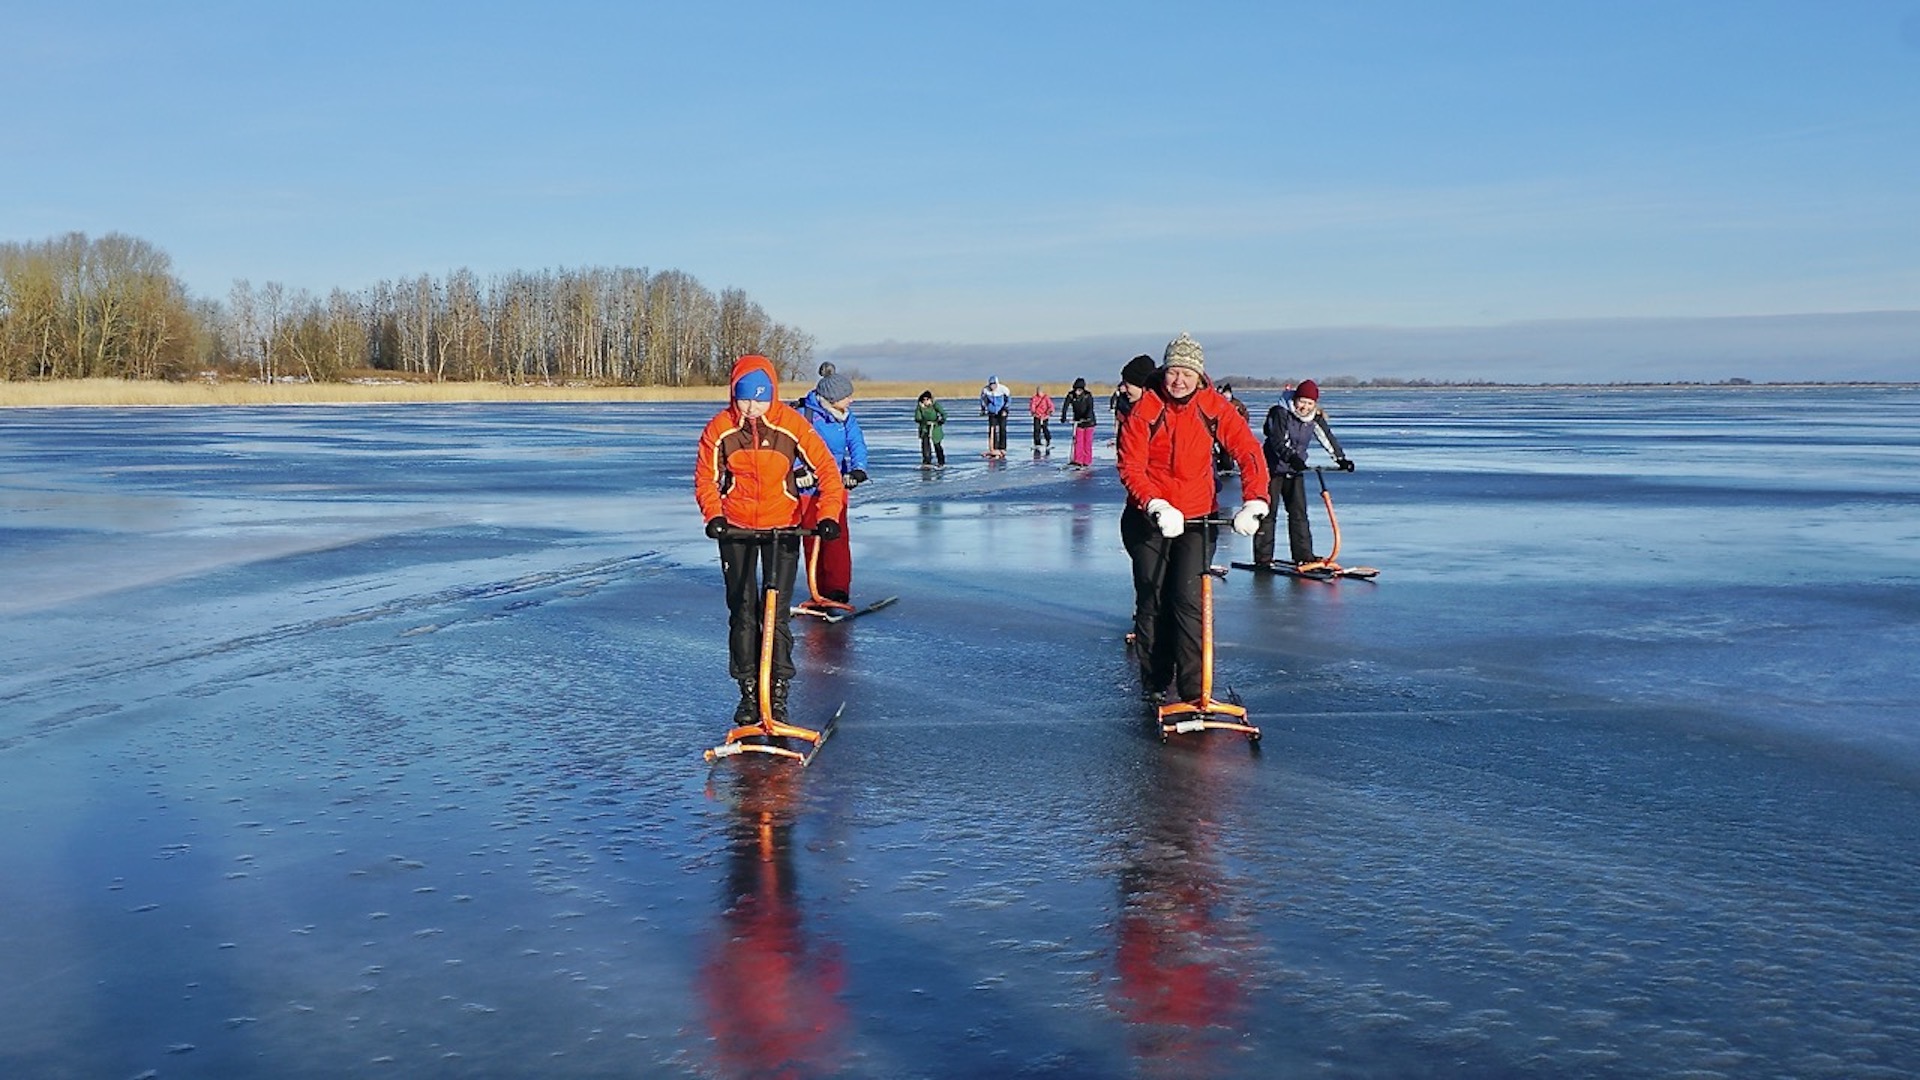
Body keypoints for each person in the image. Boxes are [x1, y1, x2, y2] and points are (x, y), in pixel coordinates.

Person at [1117, 334, 1269, 703]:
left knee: (1187, 601)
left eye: (1187, 373)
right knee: (1153, 599)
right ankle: (1154, 682)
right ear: (1164, 372)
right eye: (1173, 372)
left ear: (1199, 375)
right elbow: (1131, 466)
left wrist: (1256, 500)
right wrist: (1155, 503)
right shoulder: (1146, 409)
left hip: (1198, 517)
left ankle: (1192, 691)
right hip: (1149, 518)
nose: (1179, 381)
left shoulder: (1213, 406)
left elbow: (1248, 451)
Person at [696, 355, 847, 725]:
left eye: (760, 399)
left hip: (783, 527)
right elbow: (705, 478)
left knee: (775, 615)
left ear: (773, 396)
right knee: (743, 612)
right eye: (745, 399)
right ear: (734, 395)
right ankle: (748, 694)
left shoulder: (791, 425)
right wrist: (714, 516)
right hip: (736, 529)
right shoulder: (720, 429)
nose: (752, 408)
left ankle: (778, 694)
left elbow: (827, 471)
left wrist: (827, 517)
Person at [1252, 379, 1353, 566]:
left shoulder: (1314, 417)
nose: (1305, 407)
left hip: (1294, 469)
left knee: (1299, 513)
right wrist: (1292, 458)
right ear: (1295, 399)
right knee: (1268, 513)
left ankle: (1303, 554)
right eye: (1302, 402)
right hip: (1271, 469)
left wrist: (1340, 459)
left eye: (1309, 403)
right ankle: (1263, 558)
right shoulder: (1280, 412)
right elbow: (1277, 441)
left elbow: (1327, 438)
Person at [794, 363, 869, 606]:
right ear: (832, 398)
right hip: (808, 489)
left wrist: (858, 469)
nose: (851, 401)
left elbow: (857, 443)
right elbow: (790, 445)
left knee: (836, 537)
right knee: (812, 539)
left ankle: (837, 590)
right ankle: (818, 590)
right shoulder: (803, 415)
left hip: (834, 486)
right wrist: (798, 472)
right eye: (847, 397)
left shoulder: (846, 417)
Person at [1213, 383, 1250, 474]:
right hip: (1218, 431)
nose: (1226, 394)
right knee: (1218, 449)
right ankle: (1219, 464)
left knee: (1227, 450)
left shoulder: (1236, 403)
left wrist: (1241, 426)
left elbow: (1245, 415)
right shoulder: (1218, 402)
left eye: (1227, 392)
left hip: (1231, 431)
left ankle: (1227, 465)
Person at [1061, 376, 1097, 467]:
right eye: (1076, 390)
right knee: (1078, 441)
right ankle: (1078, 460)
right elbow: (1065, 406)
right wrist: (1063, 417)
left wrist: (1087, 417)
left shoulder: (1088, 395)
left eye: (1080, 390)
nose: (1078, 392)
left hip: (1089, 421)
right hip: (1077, 421)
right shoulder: (1071, 395)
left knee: (1087, 441)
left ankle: (1087, 461)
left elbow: (1090, 407)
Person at [979, 375, 1011, 458]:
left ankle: (1002, 447)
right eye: (991, 384)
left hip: (1002, 410)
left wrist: (1005, 409)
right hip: (992, 411)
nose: (992, 386)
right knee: (992, 429)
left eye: (994, 384)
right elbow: (983, 400)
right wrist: (983, 409)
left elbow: (1008, 400)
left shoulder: (1003, 389)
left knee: (1002, 428)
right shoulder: (986, 390)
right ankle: (993, 447)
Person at [914, 389, 948, 467]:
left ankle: (941, 461)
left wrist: (941, 420)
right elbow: (917, 417)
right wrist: (923, 421)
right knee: (925, 444)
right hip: (925, 427)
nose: (925, 401)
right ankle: (927, 461)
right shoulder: (920, 407)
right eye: (924, 399)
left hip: (935, 427)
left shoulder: (935, 405)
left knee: (937, 444)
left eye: (927, 399)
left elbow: (944, 414)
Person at [1028, 386, 1054, 452]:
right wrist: (1033, 412)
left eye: (1040, 391)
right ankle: (1037, 442)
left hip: (1045, 416)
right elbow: (1032, 405)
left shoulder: (1046, 398)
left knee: (1045, 428)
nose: (1038, 393)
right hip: (1037, 416)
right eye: (1038, 391)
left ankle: (1048, 440)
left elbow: (1050, 405)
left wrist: (1050, 411)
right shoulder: (1034, 398)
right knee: (1037, 429)